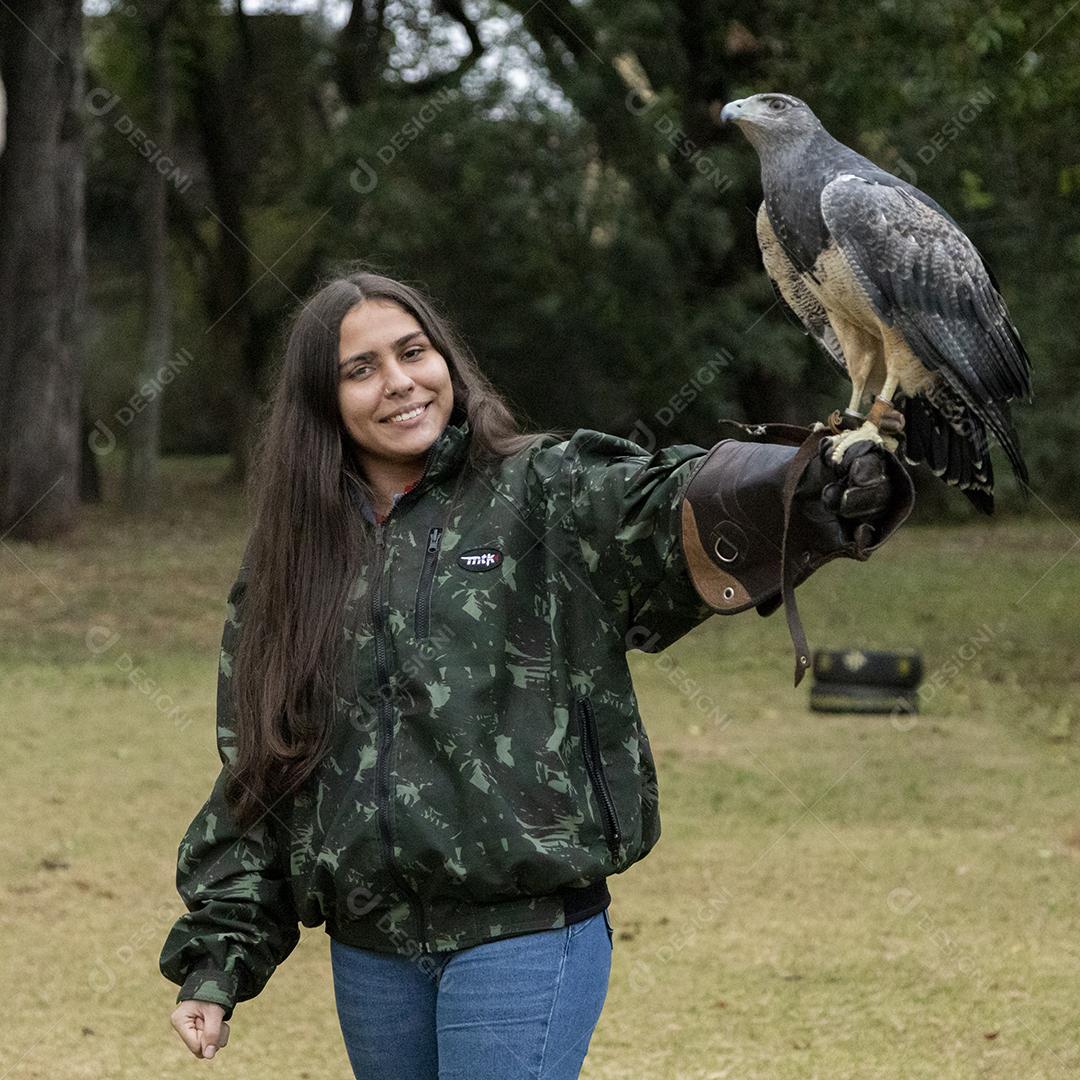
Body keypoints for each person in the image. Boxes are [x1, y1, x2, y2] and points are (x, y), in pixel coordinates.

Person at [159, 271, 912, 1078]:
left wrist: (804, 484)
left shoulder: (543, 490)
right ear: (322, 400)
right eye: (361, 369)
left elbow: (660, 505)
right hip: (373, 954)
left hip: (525, 931)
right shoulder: (293, 559)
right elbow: (263, 768)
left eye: (414, 352)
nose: (400, 382)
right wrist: (218, 956)